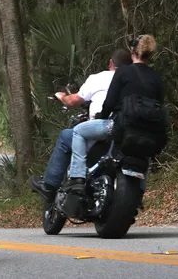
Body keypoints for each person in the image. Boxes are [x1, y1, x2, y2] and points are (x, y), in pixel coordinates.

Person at [29, 49, 133, 201]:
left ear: (111, 62)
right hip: (127, 128)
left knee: (66, 136)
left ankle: (52, 184)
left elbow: (73, 101)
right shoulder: (132, 80)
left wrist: (62, 97)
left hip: (103, 126)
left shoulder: (100, 78)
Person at [66, 35, 164, 194]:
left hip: (120, 126)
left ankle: (77, 178)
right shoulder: (156, 78)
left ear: (133, 51)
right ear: (150, 54)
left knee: (78, 131)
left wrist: (101, 116)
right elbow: (159, 105)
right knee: (144, 157)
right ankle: (138, 194)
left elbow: (110, 102)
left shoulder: (123, 72)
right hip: (149, 132)